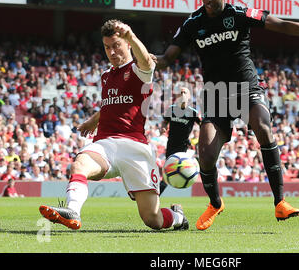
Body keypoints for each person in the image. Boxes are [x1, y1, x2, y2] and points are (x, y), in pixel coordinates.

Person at [154, 0, 299, 230]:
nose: (207, 0)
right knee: (205, 155)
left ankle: (280, 202)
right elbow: (166, 58)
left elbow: (282, 25)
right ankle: (215, 203)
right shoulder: (192, 23)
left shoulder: (240, 14)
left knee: (262, 128)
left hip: (246, 87)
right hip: (215, 94)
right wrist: (140, 54)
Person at [39, 19, 188, 231]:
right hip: (105, 144)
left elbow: (147, 61)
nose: (112, 51)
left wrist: (131, 36)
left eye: (117, 45)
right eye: (107, 47)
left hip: (135, 147)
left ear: (127, 44)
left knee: (152, 219)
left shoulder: (139, 70)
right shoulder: (106, 76)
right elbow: (113, 105)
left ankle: (177, 216)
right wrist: (93, 120)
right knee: (79, 164)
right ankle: (72, 211)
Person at [160, 86, 201, 195]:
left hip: (184, 147)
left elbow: (203, 124)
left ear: (189, 97)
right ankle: (157, 194)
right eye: (180, 93)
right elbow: (165, 121)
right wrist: (163, 127)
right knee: (168, 172)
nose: (182, 95)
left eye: (185, 92)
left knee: (183, 169)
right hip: (171, 145)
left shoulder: (193, 112)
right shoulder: (171, 109)